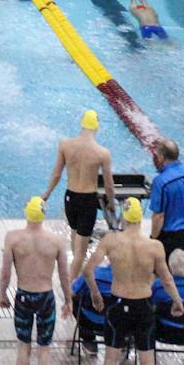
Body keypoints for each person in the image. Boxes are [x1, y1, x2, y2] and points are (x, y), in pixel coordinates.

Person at [84, 198, 184, 365]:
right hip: (144, 306)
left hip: (118, 305)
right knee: (147, 362)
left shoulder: (111, 241)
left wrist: (95, 295)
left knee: (111, 358)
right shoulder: (154, 246)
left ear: (123, 217)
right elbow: (166, 279)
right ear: (141, 219)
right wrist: (177, 300)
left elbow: (88, 270)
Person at [0, 196, 66, 365]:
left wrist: (2, 293)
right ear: (44, 215)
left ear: (26, 213)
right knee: (44, 350)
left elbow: (6, 272)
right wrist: (69, 300)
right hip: (46, 297)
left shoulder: (13, 238)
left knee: (23, 347)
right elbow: (64, 275)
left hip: (24, 297)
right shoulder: (55, 241)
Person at [45, 109, 115, 284]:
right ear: (96, 127)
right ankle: (71, 286)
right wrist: (111, 203)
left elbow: (56, 174)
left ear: (82, 124)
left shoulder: (65, 145)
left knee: (75, 237)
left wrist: (46, 193)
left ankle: (73, 274)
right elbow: (108, 184)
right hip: (87, 200)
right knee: (81, 250)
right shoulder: (102, 153)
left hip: (70, 198)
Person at [147, 139, 184, 269]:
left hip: (169, 237)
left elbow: (158, 216)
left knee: (164, 276)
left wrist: (153, 238)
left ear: (161, 157)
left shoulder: (161, 182)